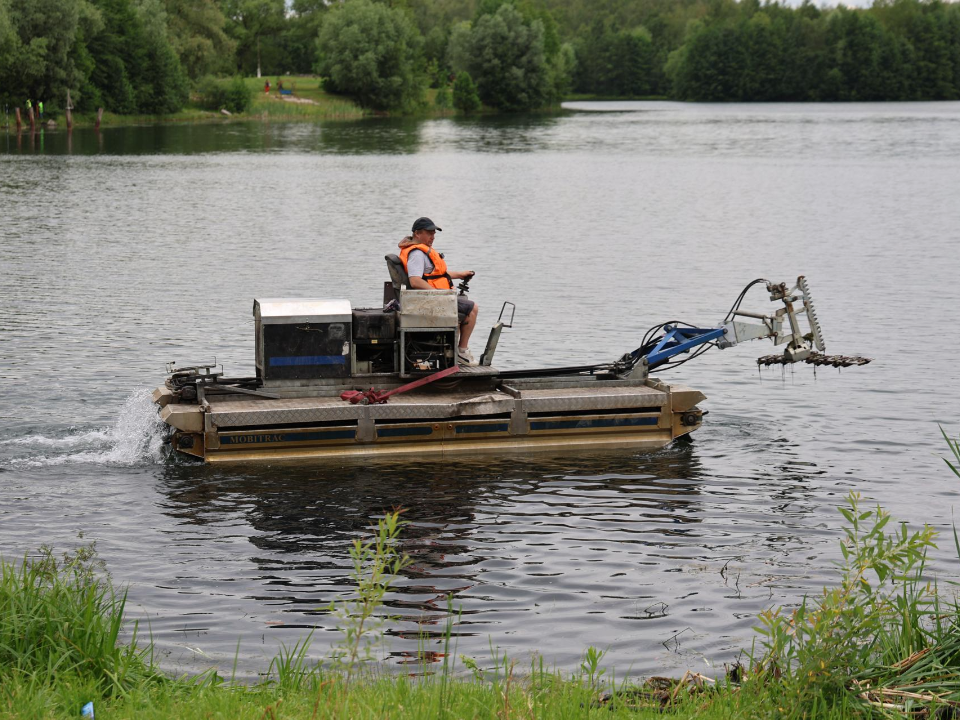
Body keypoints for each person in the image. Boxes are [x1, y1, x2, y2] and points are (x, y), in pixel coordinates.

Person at [399, 217, 479, 365]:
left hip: (432, 297)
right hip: (426, 300)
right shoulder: (417, 254)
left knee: (463, 304)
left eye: (434, 233)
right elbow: (415, 280)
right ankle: (462, 351)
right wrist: (439, 294)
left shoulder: (422, 251)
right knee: (472, 308)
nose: (433, 237)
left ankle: (453, 349)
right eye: (429, 233)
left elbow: (436, 275)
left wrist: (460, 274)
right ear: (417, 233)